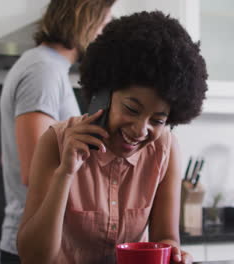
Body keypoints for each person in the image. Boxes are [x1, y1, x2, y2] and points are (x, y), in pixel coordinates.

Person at [17, 11, 208, 264]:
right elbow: (34, 258)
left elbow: (166, 238)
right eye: (131, 109)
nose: (141, 129)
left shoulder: (165, 149)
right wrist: (65, 173)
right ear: (103, 95)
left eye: (158, 120)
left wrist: (174, 254)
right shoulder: (56, 141)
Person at [0, 0, 115, 263]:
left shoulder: (48, 68)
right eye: (105, 24)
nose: (104, 35)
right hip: (33, 246)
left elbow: (11, 159)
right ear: (86, 20)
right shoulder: (43, 71)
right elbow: (33, 168)